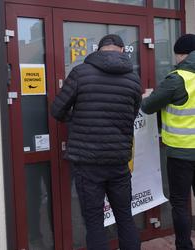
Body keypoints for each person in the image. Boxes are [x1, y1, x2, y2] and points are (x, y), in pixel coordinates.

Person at [51, 34, 142, 250]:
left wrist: (78, 120)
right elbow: (133, 113)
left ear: (99, 49)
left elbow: (57, 110)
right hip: (118, 161)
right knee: (125, 219)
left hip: (87, 162)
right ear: (121, 50)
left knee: (94, 223)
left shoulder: (80, 73)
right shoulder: (133, 78)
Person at [141, 33, 195, 250]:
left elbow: (148, 106)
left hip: (182, 153)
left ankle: (184, 246)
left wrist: (148, 96)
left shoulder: (178, 78)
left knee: (180, 202)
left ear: (183, 54)